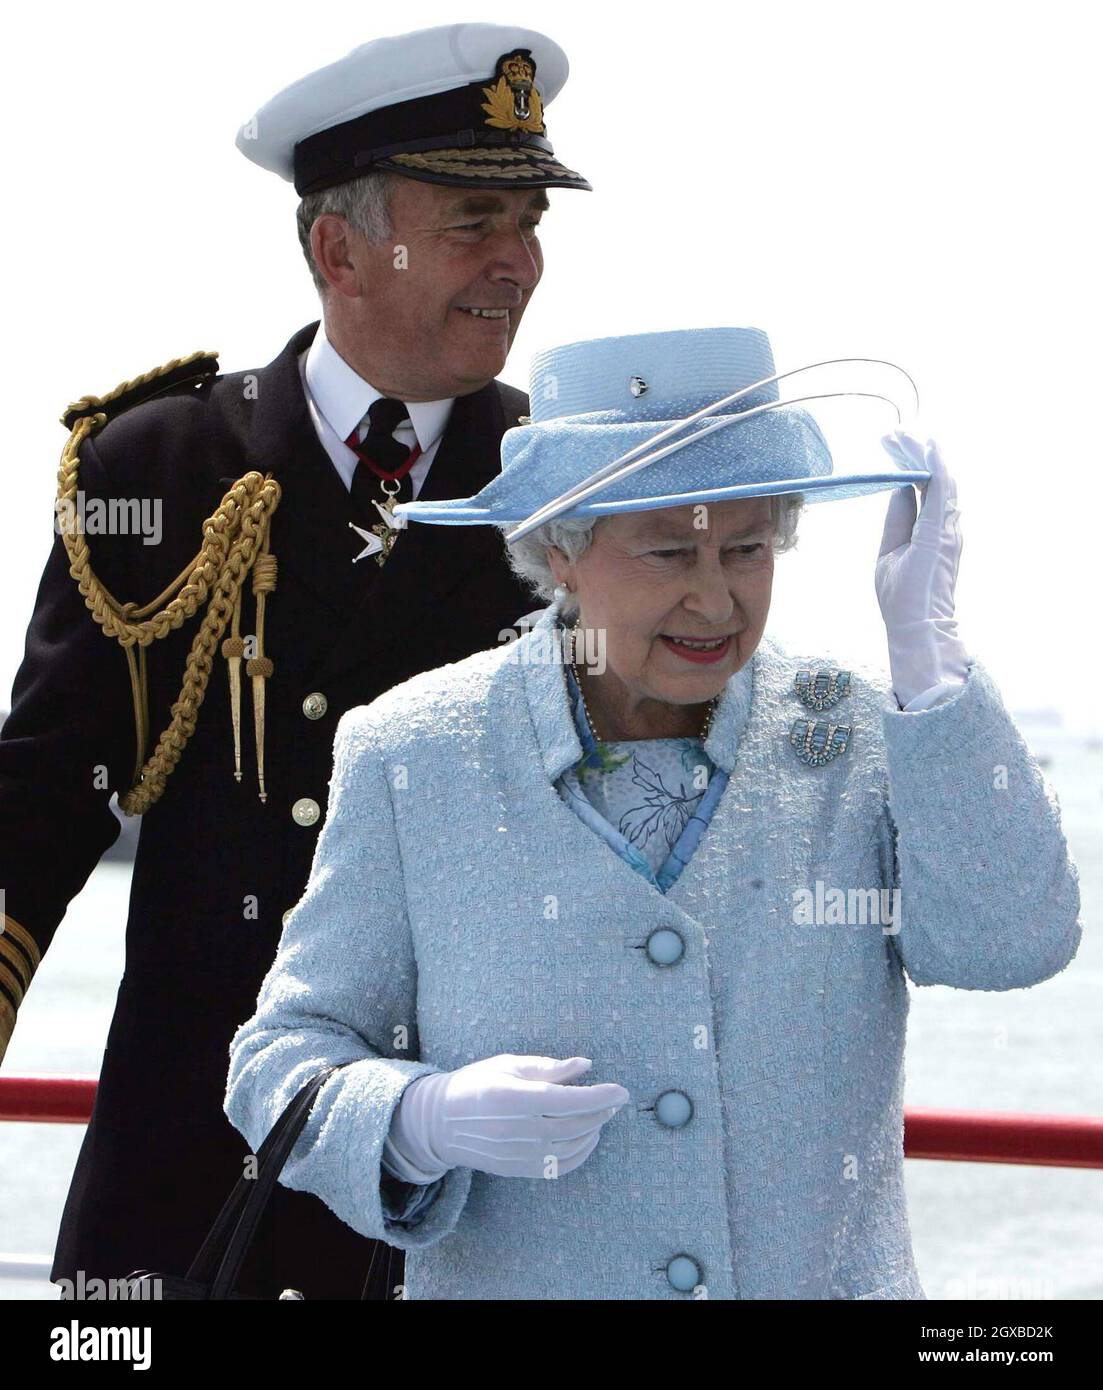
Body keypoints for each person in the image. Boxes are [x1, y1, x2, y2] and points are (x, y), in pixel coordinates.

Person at [224, 325, 1081, 1299]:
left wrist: (930, 668)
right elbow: (279, 1060)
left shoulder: (849, 728)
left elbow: (1011, 942)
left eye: (747, 547)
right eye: (669, 551)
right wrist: (421, 1116)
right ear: (561, 546)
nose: (712, 598)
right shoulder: (412, 753)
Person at [0, 22, 590, 1300]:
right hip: (189, 1154)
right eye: (473, 224)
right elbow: (43, 802)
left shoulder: (567, 494)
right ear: (339, 245)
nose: (518, 264)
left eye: (530, 224)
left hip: (456, 1168)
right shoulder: (149, 474)